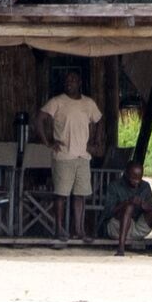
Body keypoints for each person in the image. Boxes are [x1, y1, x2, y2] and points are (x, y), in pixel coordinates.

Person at [39, 71, 104, 236]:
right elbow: (39, 119)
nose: (70, 83)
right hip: (63, 156)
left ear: (79, 82)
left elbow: (99, 121)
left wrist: (95, 142)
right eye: (67, 80)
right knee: (61, 194)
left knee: (80, 195)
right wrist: (48, 142)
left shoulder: (88, 103)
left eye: (73, 80)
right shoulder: (57, 101)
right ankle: (59, 229)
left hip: (83, 156)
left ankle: (79, 230)